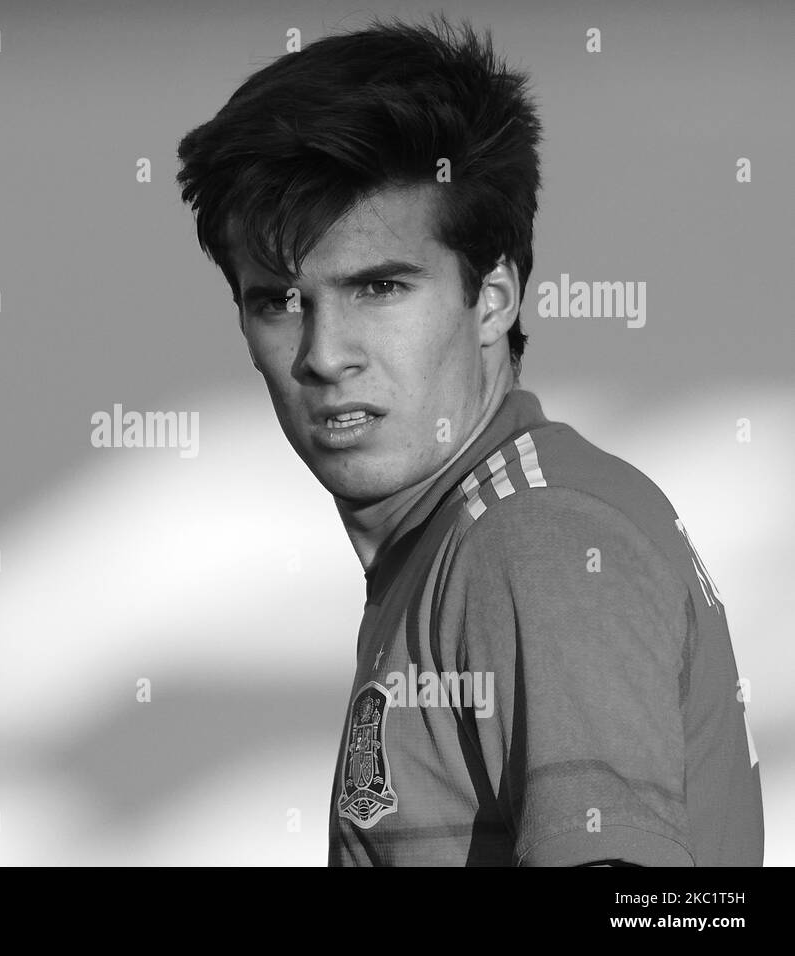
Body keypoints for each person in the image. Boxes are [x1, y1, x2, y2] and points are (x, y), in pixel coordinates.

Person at [174, 16, 763, 866]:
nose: (324, 354)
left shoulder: (537, 539)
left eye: (378, 287)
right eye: (277, 300)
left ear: (492, 299)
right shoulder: (461, 543)